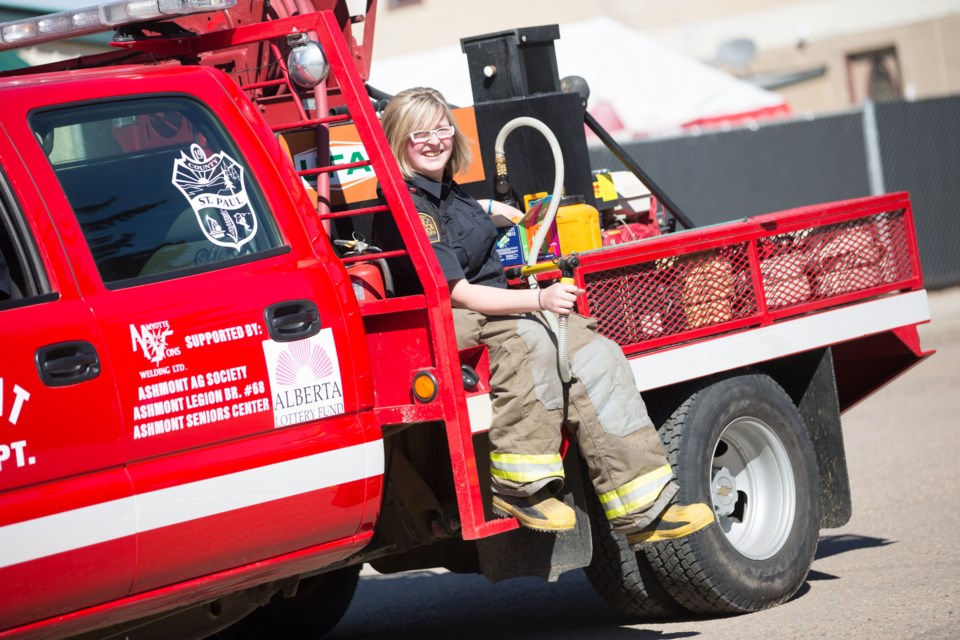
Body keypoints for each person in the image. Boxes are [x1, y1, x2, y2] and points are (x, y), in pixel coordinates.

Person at [374, 87, 713, 547]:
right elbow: (457, 292)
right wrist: (539, 301)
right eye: (420, 134)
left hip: (490, 308)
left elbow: (462, 232)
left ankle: (646, 507)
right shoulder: (411, 203)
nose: (435, 141)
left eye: (441, 128)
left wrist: (492, 211)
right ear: (398, 142)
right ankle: (522, 488)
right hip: (447, 318)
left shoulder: (447, 194)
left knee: (598, 354)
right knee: (529, 339)